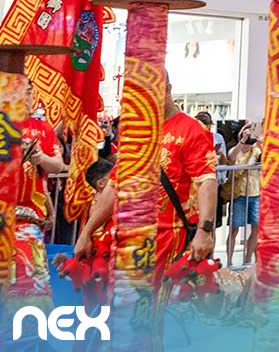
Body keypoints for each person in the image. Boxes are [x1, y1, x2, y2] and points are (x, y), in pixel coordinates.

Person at [75, 76, 217, 342]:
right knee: (117, 312)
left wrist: (205, 230)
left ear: (167, 89)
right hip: (124, 238)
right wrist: (87, 231)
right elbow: (113, 187)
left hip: (163, 237)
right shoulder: (137, 133)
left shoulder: (192, 130)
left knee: (145, 314)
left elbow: (206, 179)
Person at [12, 82, 65, 305]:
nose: (27, 99)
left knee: (33, 276)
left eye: (30, 93)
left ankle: (30, 329)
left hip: (29, 216)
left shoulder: (42, 129)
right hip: (5, 213)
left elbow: (59, 166)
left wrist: (40, 158)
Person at [225, 123, 261, 267]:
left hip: (255, 193)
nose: (249, 135)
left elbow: (268, 158)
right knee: (234, 229)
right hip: (238, 194)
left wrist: (262, 142)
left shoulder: (256, 151)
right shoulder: (236, 149)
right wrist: (242, 142)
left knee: (256, 227)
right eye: (247, 133)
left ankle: (247, 260)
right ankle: (229, 261)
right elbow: (231, 159)